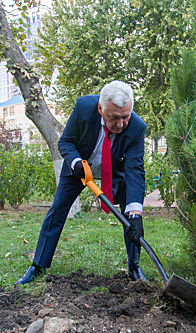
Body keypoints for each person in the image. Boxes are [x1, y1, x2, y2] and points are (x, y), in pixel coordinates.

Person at [16, 80, 148, 284]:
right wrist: (76, 162)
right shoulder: (84, 108)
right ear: (100, 109)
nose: (120, 124)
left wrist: (136, 212)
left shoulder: (137, 128)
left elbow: (135, 170)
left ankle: (134, 267)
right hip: (80, 167)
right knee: (58, 209)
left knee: (131, 219)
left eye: (125, 117)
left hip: (115, 170)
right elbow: (65, 142)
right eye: (114, 118)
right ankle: (38, 265)